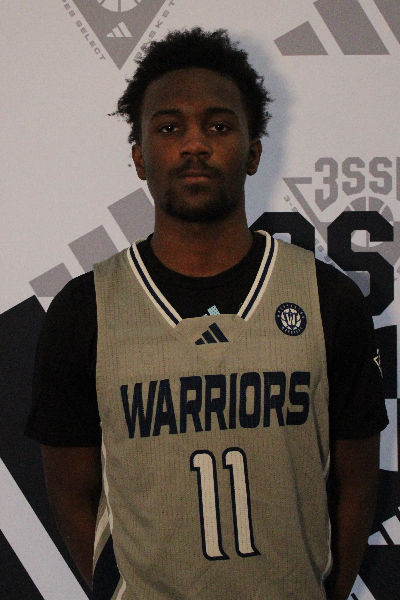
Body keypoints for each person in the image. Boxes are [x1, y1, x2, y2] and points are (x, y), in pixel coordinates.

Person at [26, 28, 388, 600]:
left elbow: (357, 482)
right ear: (140, 157)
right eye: (170, 128)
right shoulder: (85, 309)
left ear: (253, 151)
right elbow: (70, 489)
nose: (194, 144)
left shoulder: (326, 298)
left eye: (218, 126)